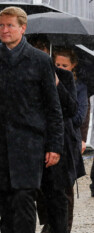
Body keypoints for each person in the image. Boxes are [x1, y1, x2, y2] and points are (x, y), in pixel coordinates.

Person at [0, 7, 63, 233]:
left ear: (23, 28)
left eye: (10, 25)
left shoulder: (40, 60)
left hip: (29, 144)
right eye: (1, 25)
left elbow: (53, 107)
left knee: (24, 201)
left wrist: (55, 145)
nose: (4, 30)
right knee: (5, 206)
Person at [27, 36, 78, 233]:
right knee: (35, 194)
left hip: (57, 142)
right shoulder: (22, 75)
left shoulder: (63, 77)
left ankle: (58, 227)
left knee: (58, 194)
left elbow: (72, 109)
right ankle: (47, 224)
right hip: (31, 142)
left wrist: (57, 82)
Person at [53, 48, 87, 233]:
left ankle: (64, 227)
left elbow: (78, 117)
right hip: (52, 140)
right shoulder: (46, 80)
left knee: (65, 191)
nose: (60, 68)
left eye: (64, 65)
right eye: (57, 65)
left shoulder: (80, 87)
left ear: (73, 66)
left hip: (68, 142)